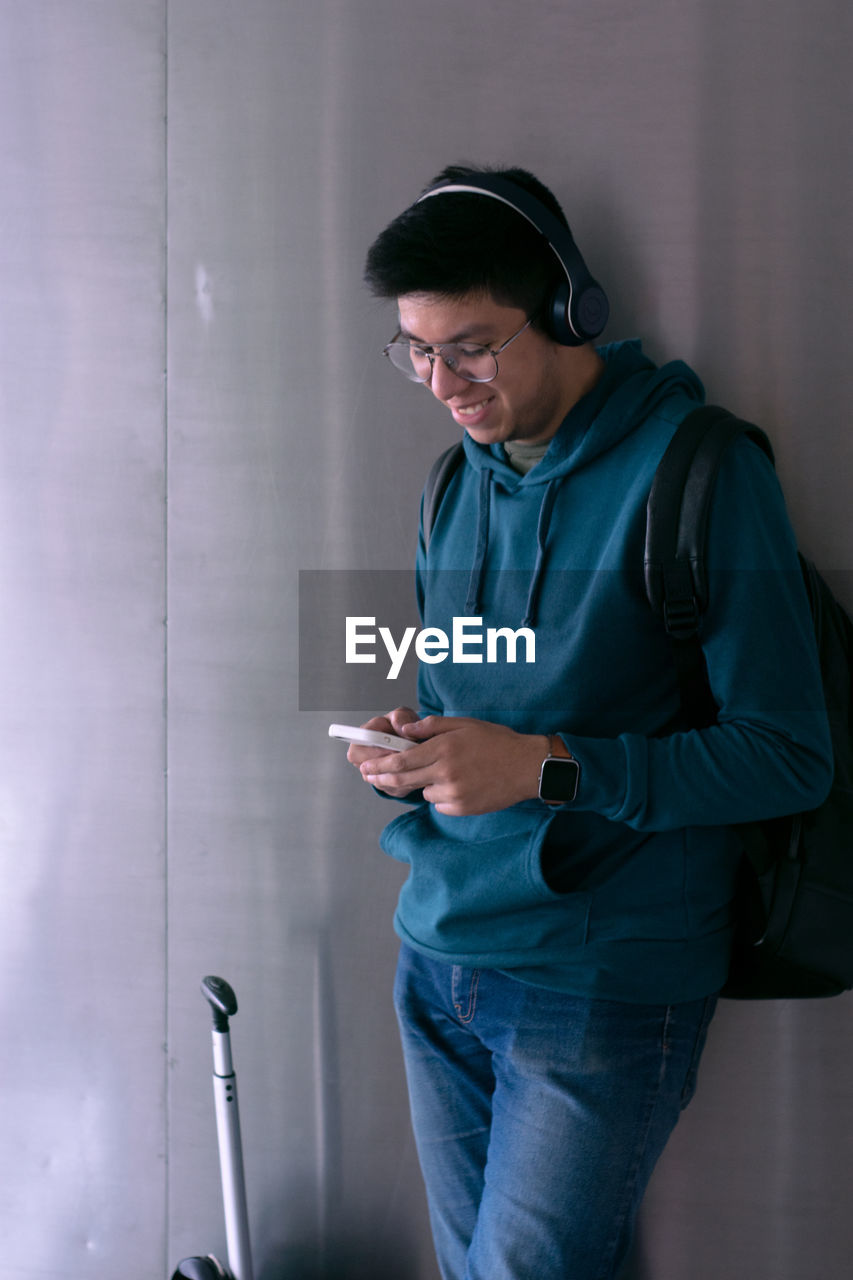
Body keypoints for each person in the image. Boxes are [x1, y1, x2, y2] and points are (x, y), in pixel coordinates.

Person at [348, 163, 833, 1280]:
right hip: (438, 951)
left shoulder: (701, 471)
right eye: (417, 350)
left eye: (470, 344)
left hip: (599, 978)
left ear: (570, 311)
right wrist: (417, 749)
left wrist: (542, 770)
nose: (442, 382)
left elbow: (787, 753)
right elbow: (475, 689)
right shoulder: (448, 484)